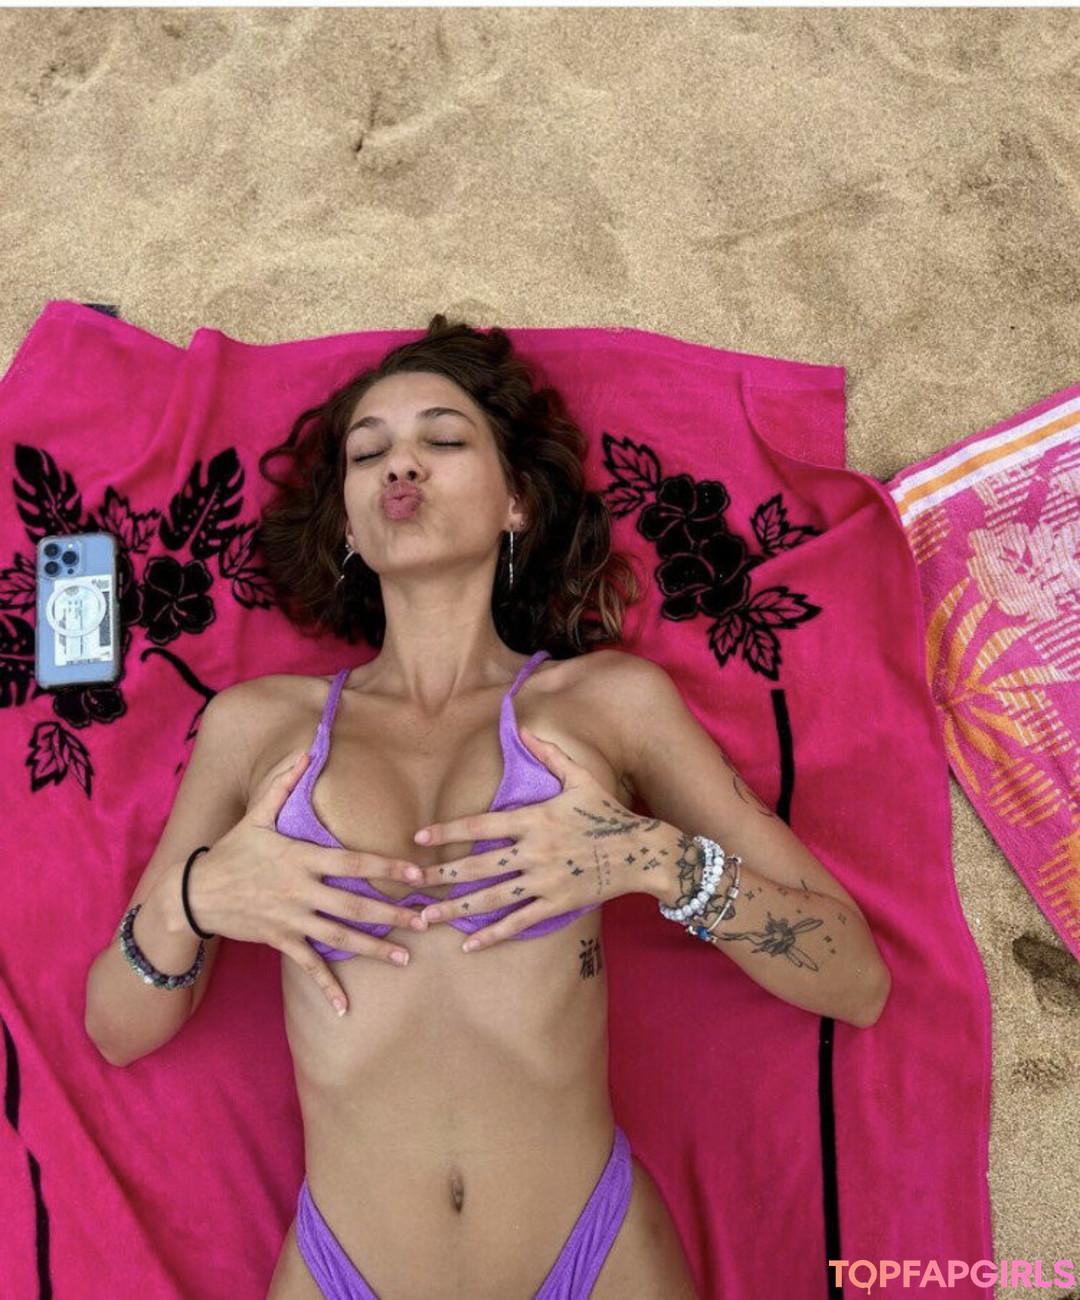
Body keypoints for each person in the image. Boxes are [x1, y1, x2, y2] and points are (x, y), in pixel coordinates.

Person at [94, 315, 888, 1298]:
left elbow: (857, 981)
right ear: (347, 526)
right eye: (368, 453)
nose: (400, 464)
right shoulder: (256, 726)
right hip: (346, 1268)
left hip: (594, 1255)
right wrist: (198, 895)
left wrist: (654, 861)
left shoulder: (607, 702)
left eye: (443, 438)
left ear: (516, 500)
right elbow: (117, 1029)